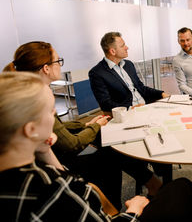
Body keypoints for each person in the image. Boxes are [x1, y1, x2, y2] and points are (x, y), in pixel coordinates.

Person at [0, 71, 192, 222]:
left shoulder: (27, 177)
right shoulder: (52, 189)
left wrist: (43, 149)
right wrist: (133, 210)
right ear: (30, 129)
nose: (56, 121)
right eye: (51, 112)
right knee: (183, 187)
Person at [4, 41, 163, 209]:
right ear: (46, 68)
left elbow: (59, 126)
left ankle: (145, 185)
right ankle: (115, 207)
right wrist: (93, 127)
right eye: (58, 61)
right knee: (110, 152)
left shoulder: (34, 91)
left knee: (108, 141)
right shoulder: (37, 97)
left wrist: (86, 124)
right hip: (61, 160)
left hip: (51, 155)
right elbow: (70, 144)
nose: (60, 65)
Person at [89, 32, 169, 113]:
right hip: (127, 114)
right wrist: (131, 108)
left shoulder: (128, 64)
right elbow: (105, 104)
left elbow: (141, 88)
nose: (127, 48)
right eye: (122, 46)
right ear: (113, 51)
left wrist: (161, 94)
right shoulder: (97, 73)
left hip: (145, 106)